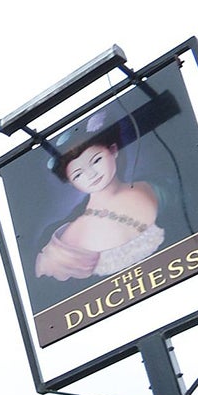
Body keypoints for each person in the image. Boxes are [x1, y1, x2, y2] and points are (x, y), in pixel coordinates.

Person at [33, 112, 164, 284]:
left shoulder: (156, 188)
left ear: (113, 150)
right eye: (78, 174)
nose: (91, 174)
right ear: (71, 182)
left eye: (96, 161)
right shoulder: (69, 235)